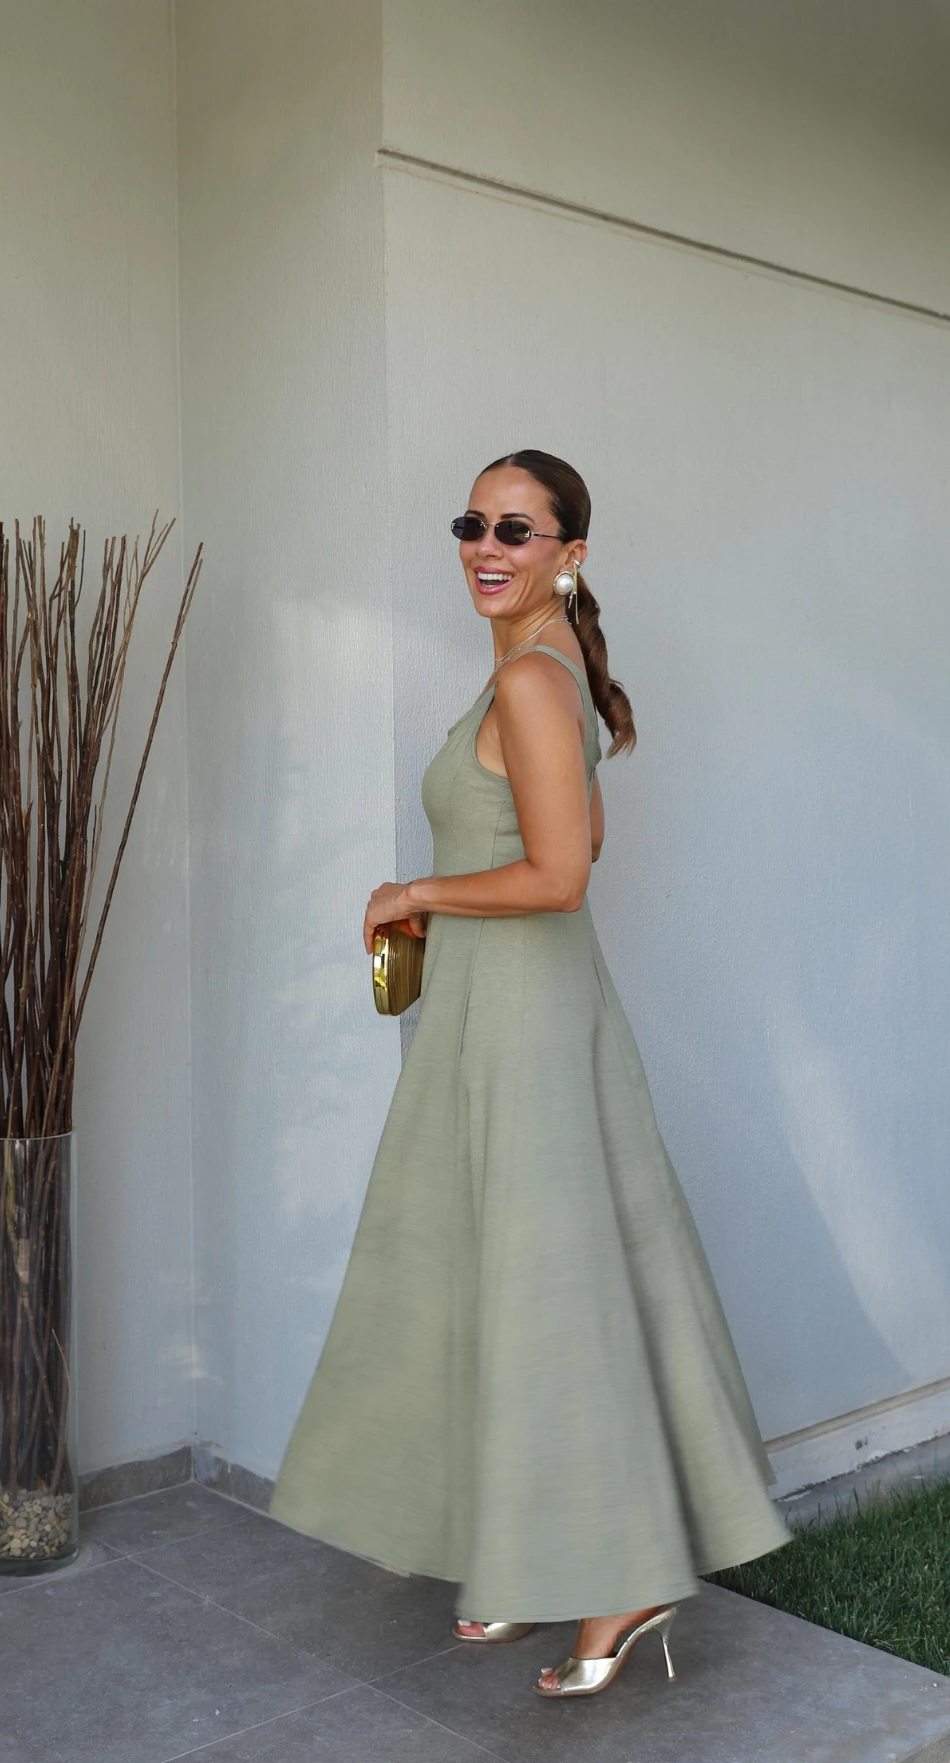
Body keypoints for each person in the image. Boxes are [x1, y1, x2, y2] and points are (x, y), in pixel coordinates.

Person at [268, 448, 790, 1697]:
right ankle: (526, 1552)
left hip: (525, 1026)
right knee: (497, 1282)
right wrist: (450, 899)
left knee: (555, 1293)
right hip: (505, 1015)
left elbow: (560, 874)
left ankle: (624, 1576)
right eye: (472, 525)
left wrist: (416, 891)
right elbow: (581, 831)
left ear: (571, 553)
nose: (485, 548)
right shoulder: (540, 671)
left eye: (516, 528)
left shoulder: (530, 681)